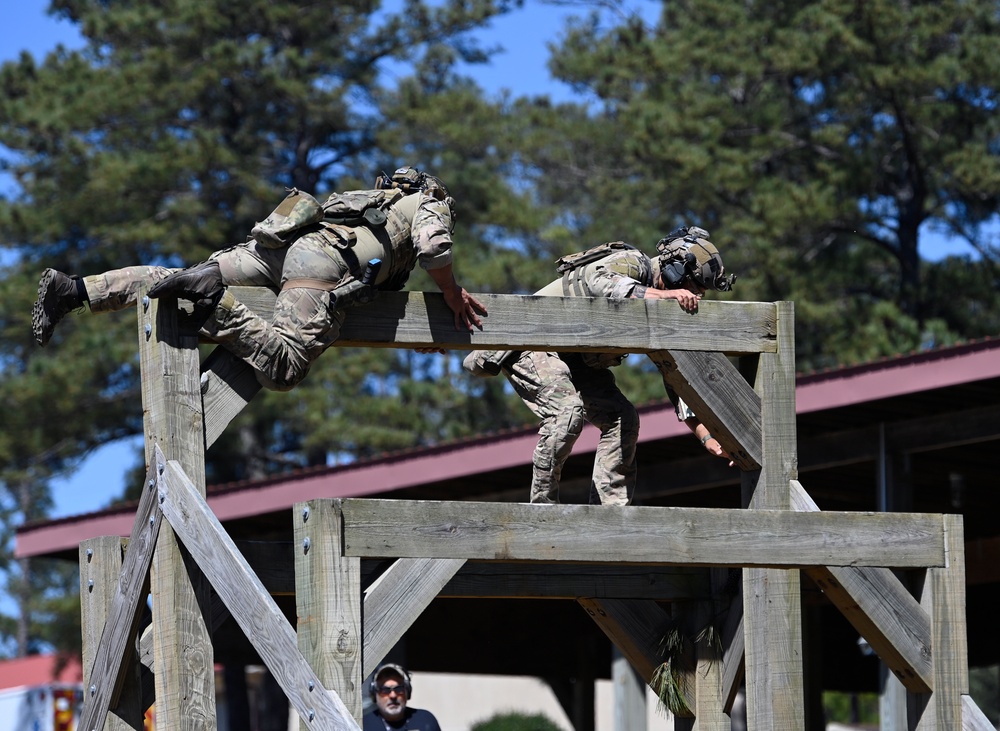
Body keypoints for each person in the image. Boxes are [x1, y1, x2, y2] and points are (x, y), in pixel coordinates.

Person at [32, 166, 487, 391]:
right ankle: (214, 302)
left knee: (175, 278)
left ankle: (73, 291)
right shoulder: (430, 202)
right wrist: (450, 291)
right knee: (285, 368)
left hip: (276, 249)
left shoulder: (368, 205)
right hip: (316, 265)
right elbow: (434, 246)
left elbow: (381, 296)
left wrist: (425, 333)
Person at [463, 227, 736, 506]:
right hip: (533, 339)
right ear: (676, 271)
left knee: (622, 418)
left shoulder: (663, 309)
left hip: (576, 359)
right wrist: (665, 296)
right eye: (693, 288)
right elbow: (600, 282)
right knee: (566, 413)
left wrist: (706, 436)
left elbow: (677, 381)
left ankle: (611, 515)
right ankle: (542, 510)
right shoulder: (634, 263)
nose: (694, 298)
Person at [363, 663, 441, 731]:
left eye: (398, 689)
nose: (393, 695)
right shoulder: (363, 725)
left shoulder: (426, 720)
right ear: (374, 694)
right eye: (385, 690)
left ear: (408, 691)